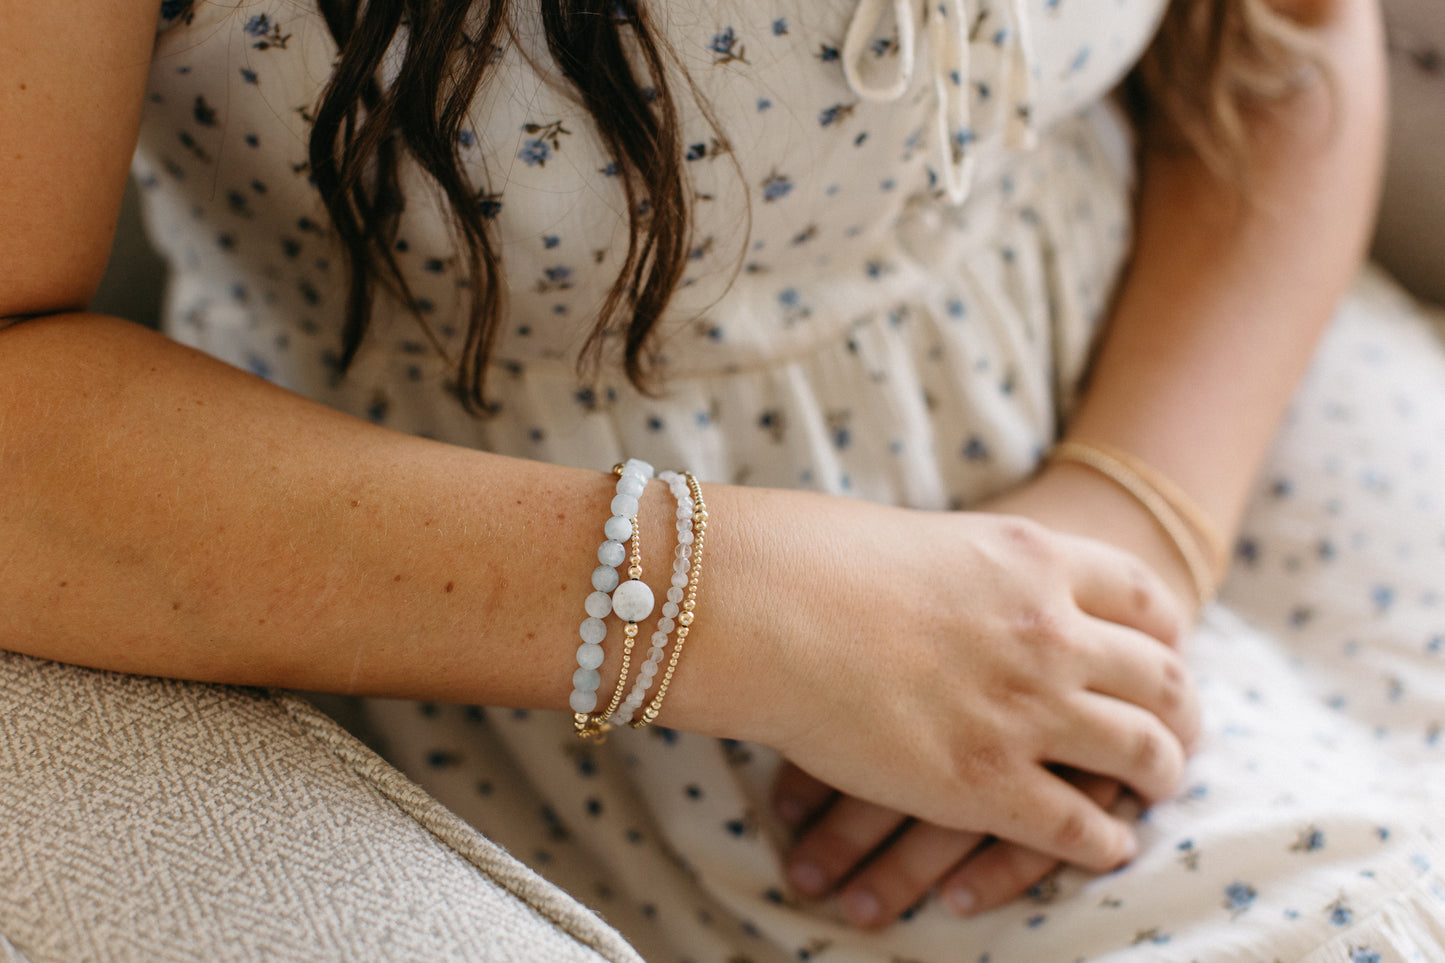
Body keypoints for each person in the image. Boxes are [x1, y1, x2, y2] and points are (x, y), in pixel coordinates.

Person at [4, 0, 1442, 959]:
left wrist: (1140, 512)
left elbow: (1290, 30)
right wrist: (723, 606)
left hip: (1201, 364)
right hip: (567, 621)